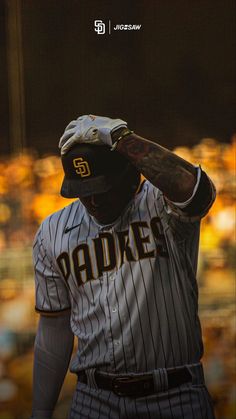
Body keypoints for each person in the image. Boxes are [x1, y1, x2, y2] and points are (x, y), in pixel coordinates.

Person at [31, 115, 216, 419]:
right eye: (83, 189)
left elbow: (198, 193)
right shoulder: (52, 232)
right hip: (93, 399)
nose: (92, 200)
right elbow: (54, 327)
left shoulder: (162, 203)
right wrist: (41, 411)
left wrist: (122, 139)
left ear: (130, 177)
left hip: (175, 395)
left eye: (102, 189)